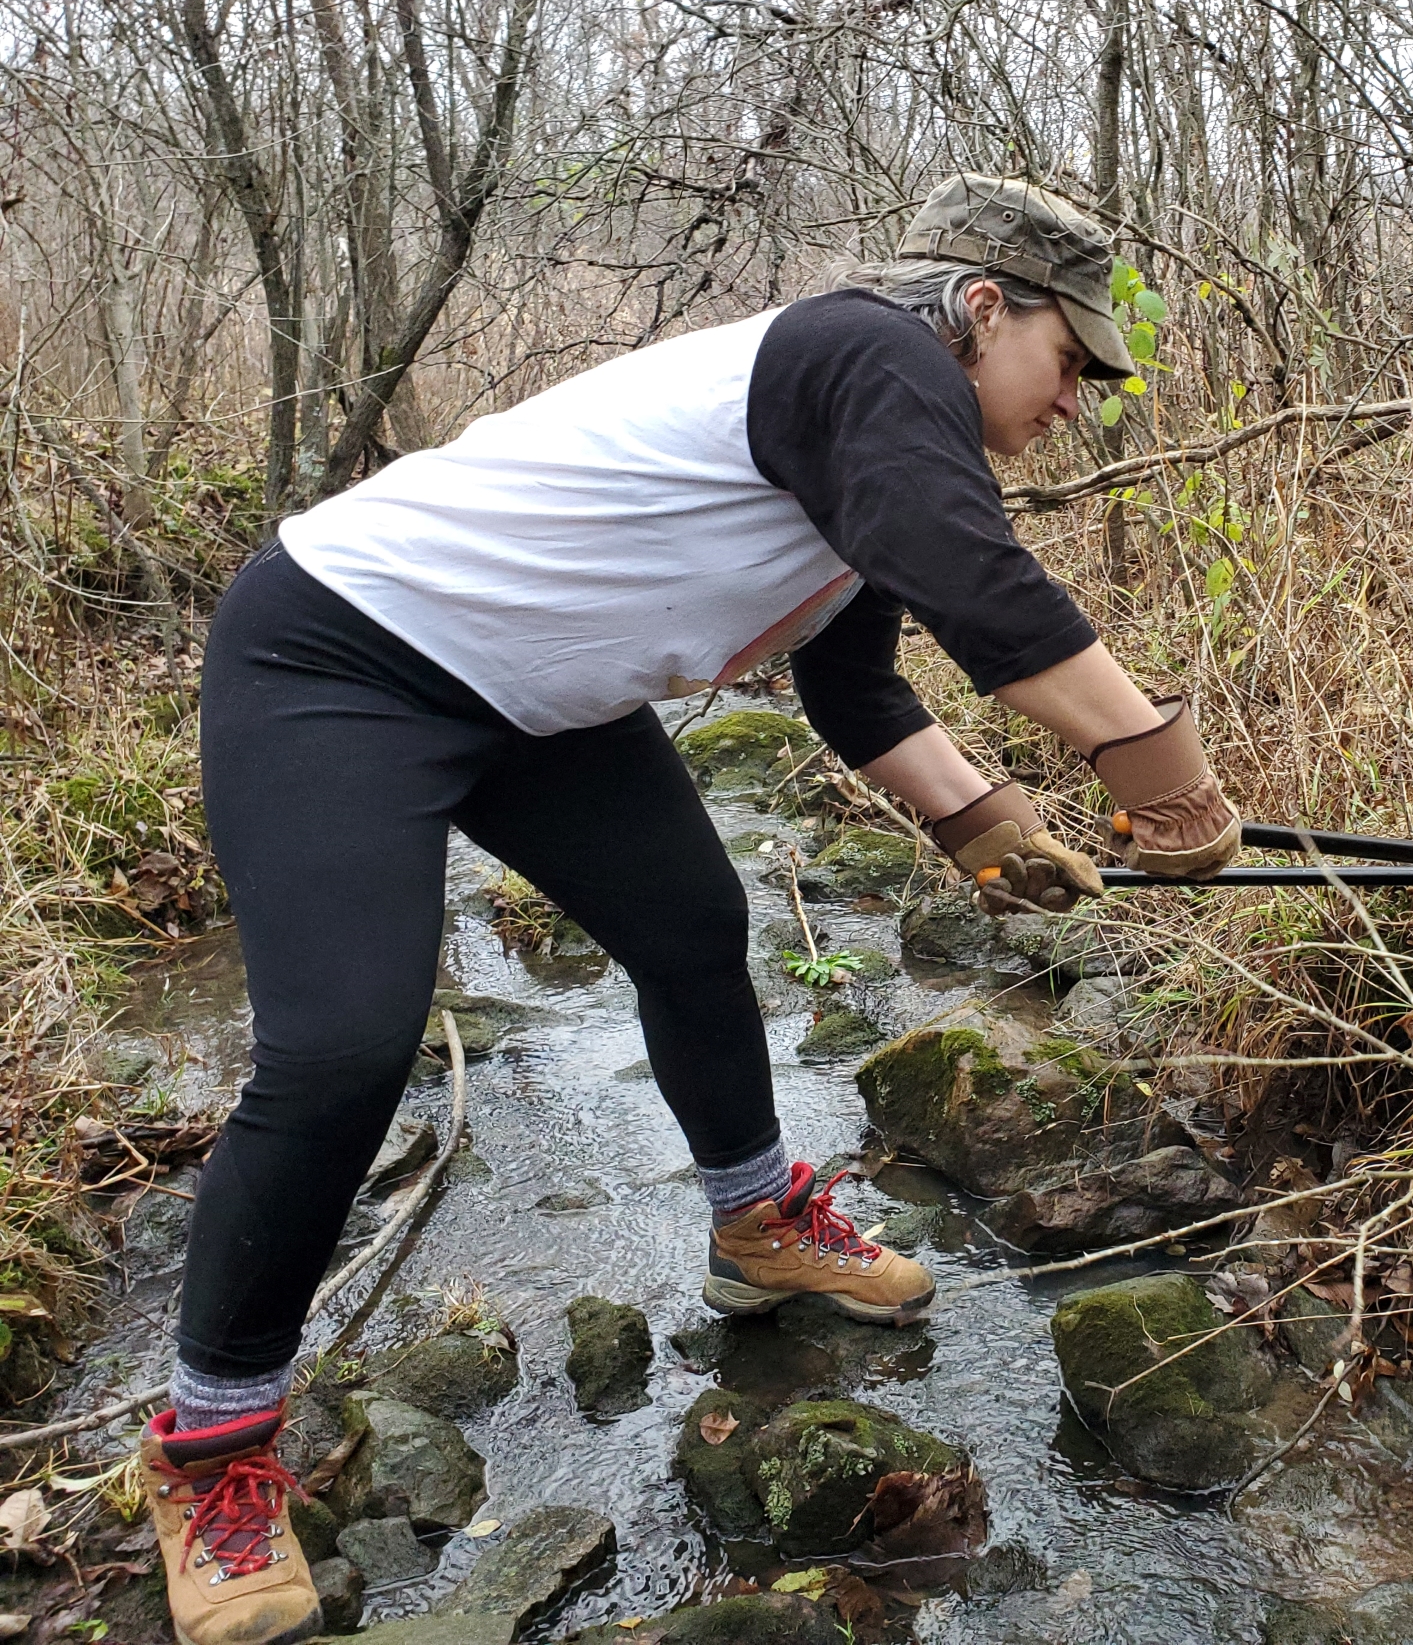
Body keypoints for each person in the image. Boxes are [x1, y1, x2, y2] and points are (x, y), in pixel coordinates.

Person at [142, 176, 1241, 1645]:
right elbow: (986, 585)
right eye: (1073, 360)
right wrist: (1156, 765)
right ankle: (210, 1454)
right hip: (340, 654)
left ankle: (755, 1224)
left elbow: (856, 683)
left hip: (531, 700)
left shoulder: (861, 437)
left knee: (689, 927)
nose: (1080, 398)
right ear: (983, 308)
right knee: (342, 1047)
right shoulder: (871, 356)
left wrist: (984, 825)